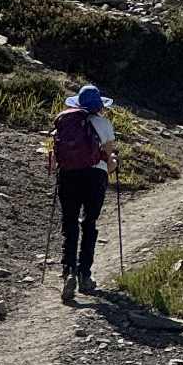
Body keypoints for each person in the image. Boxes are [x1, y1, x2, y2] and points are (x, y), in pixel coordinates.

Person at [51, 83, 117, 304]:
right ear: (99, 105)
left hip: (68, 175)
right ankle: (84, 275)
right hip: (94, 176)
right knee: (89, 222)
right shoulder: (104, 124)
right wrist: (114, 163)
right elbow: (108, 159)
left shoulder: (66, 122)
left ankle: (68, 271)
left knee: (69, 222)